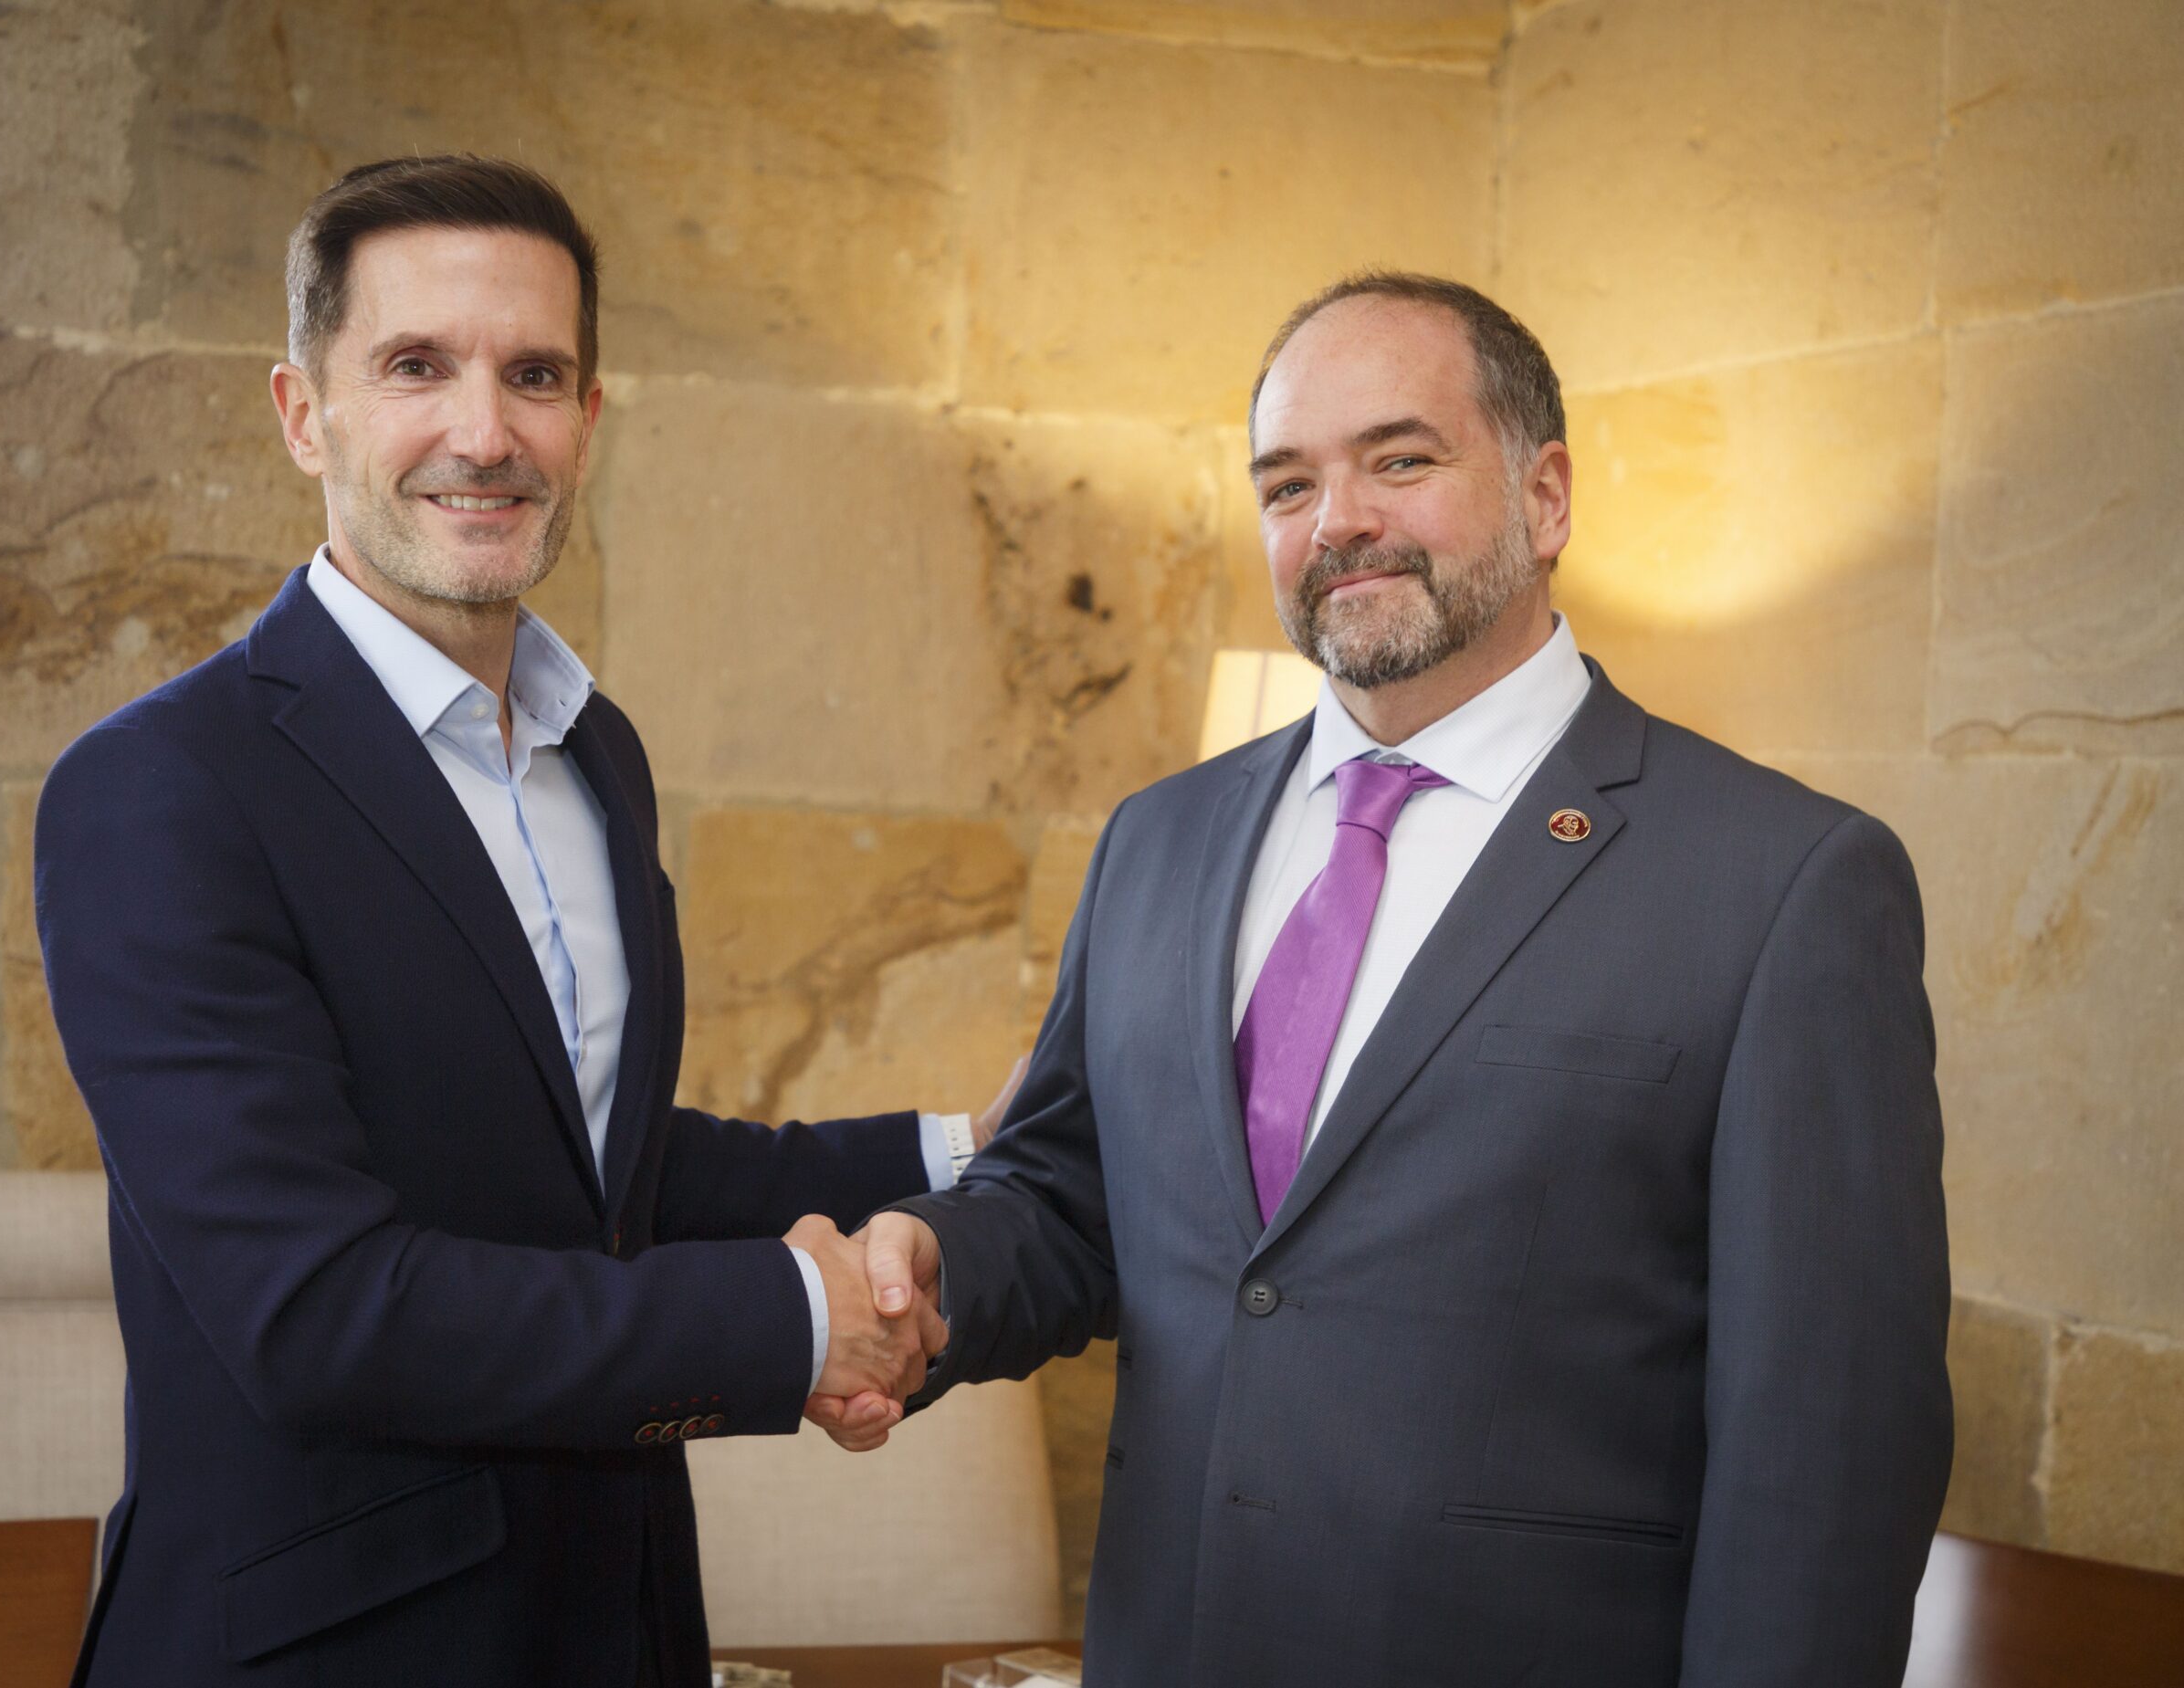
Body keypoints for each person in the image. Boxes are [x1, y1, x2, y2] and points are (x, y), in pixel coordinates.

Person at [831, 274, 1953, 1685]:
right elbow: (1070, 1199)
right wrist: (941, 1261)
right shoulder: (1158, 840)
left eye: (1401, 460)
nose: (1337, 520)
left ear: (1546, 496)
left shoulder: (1783, 882)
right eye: (1288, 483)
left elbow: (1830, 1447)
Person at [35, 155, 1012, 1688]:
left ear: (589, 419)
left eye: (535, 376)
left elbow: (600, 1174)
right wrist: (786, 1319)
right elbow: (317, 1311)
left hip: (617, 1631)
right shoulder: (160, 788)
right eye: (416, 366)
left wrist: (960, 1148)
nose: (484, 433)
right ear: (304, 413)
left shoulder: (595, 752)